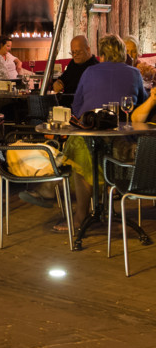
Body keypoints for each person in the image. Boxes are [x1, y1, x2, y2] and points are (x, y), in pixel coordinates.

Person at [58, 34, 148, 231]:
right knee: (91, 150)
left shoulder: (89, 72)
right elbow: (141, 105)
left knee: (80, 149)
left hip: (92, 139)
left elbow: (77, 107)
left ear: (102, 54)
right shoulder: (134, 73)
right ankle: (103, 207)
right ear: (123, 53)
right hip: (125, 143)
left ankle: (81, 216)